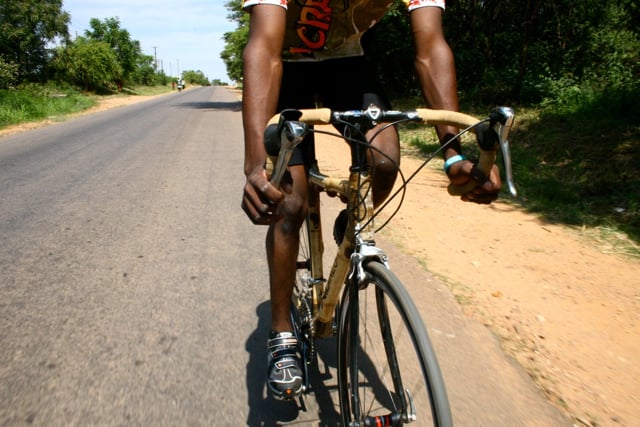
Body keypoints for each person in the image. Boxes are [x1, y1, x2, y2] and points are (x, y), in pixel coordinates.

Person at [240, 0, 502, 400]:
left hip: (348, 64)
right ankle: (281, 332)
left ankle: (351, 224)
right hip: (286, 66)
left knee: (384, 161)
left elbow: (431, 48)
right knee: (287, 203)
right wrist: (259, 163)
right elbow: (264, 48)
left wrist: (454, 153)